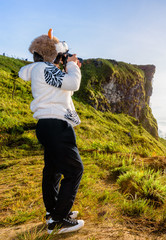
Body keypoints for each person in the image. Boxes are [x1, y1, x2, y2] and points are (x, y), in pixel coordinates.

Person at [18, 29, 84, 234]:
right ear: (53, 54)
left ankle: (53, 211)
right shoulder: (46, 69)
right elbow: (73, 83)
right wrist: (72, 65)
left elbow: (64, 88)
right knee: (74, 171)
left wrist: (65, 66)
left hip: (46, 125)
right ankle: (58, 221)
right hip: (56, 126)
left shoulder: (40, 70)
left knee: (53, 170)